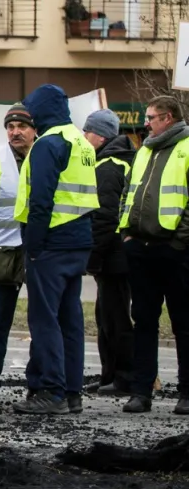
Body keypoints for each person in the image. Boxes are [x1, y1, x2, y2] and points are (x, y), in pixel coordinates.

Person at [12, 84, 98, 415]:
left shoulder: (49, 143)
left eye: (32, 111)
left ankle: (52, 391)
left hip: (51, 243)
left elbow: (41, 200)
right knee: (70, 319)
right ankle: (72, 392)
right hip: (78, 240)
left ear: (44, 110)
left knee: (45, 319)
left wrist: (33, 246)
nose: (30, 117)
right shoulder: (80, 141)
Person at [118, 95, 189, 415]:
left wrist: (179, 243)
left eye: (151, 117)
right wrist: (126, 233)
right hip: (140, 249)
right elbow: (128, 194)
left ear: (169, 118)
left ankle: (186, 394)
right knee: (143, 322)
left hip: (175, 252)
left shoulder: (186, 148)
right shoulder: (144, 150)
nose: (146, 122)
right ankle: (141, 392)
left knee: (184, 324)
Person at [82, 109, 135, 397]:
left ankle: (123, 377)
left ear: (99, 135)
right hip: (115, 254)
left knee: (115, 317)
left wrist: (92, 257)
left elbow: (104, 217)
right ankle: (109, 375)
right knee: (106, 316)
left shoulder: (109, 166)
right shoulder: (118, 160)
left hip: (114, 256)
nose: (83, 136)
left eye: (87, 131)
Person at [0, 104, 35, 395]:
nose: (15, 132)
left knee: (41, 321)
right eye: (10, 127)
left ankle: (40, 385)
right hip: (3, 248)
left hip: (36, 249)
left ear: (33, 129)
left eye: (22, 126)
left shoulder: (45, 155)